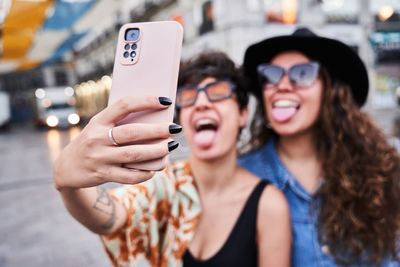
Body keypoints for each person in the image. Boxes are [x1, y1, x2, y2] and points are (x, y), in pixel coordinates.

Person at [53, 51, 291, 267]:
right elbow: (111, 218)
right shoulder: (164, 185)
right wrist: (69, 184)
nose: (201, 103)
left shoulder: (268, 205)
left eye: (217, 92)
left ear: (242, 114)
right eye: (188, 96)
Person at [239, 27, 400, 266]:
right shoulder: (242, 179)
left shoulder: (385, 164)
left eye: (302, 73)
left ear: (330, 91)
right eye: (270, 75)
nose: (282, 85)